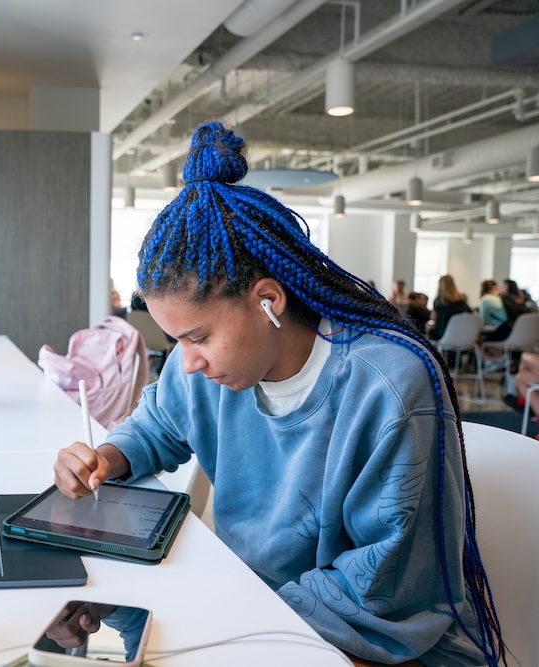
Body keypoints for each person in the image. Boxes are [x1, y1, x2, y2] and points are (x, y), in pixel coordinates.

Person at [52, 122, 503, 666]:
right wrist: (106, 457)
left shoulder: (386, 387)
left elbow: (379, 586)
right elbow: (156, 426)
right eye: (176, 340)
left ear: (268, 300)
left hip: (379, 644)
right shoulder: (203, 371)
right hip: (263, 616)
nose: (186, 362)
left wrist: (226, 617)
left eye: (198, 338)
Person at [427, 275, 471, 341]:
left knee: (428, 325)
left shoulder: (438, 301)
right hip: (465, 338)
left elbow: (433, 319)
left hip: (443, 336)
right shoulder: (462, 300)